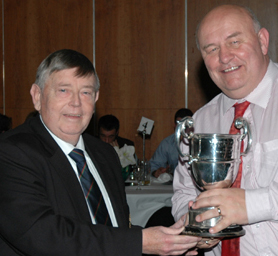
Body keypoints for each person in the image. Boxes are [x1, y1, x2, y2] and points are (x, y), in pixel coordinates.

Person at [0, 49, 201, 256]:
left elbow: (114, 231)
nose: (76, 102)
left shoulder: (104, 154)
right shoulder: (11, 152)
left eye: (85, 92)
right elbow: (42, 235)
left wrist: (170, 243)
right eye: (63, 90)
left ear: (95, 98)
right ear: (37, 96)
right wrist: (140, 242)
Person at [172, 4, 278, 256]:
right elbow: (184, 190)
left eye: (234, 42)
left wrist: (249, 205)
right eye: (211, 49)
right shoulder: (201, 120)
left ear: (262, 41)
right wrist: (195, 225)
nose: (224, 57)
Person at [150, 108, 193, 178]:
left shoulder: (199, 142)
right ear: (174, 125)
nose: (182, 128)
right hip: (172, 185)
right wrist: (157, 171)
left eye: (185, 125)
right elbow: (153, 165)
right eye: (179, 124)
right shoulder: (167, 143)